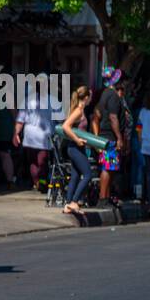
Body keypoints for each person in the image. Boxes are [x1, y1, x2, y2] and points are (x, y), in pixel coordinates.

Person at [57, 85, 94, 214]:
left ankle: (68, 205)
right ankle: (74, 201)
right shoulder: (79, 111)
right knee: (88, 175)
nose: (91, 100)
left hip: (76, 148)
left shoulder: (80, 110)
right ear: (86, 97)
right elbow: (66, 126)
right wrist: (77, 140)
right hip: (75, 147)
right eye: (90, 97)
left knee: (76, 175)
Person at [93, 72, 128, 205]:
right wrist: (119, 137)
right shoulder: (113, 96)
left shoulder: (105, 94)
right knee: (108, 168)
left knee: (110, 168)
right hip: (109, 137)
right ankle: (103, 198)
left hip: (107, 136)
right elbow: (113, 117)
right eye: (123, 81)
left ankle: (106, 197)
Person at [13, 78, 53, 189]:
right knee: (42, 162)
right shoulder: (52, 100)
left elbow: (20, 119)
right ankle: (41, 183)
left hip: (30, 136)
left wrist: (16, 134)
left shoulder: (28, 100)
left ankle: (37, 183)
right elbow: (60, 119)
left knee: (34, 162)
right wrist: (16, 134)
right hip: (43, 136)